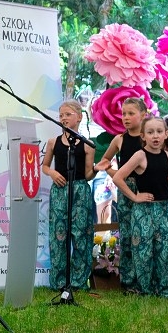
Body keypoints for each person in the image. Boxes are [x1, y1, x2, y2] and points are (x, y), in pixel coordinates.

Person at [109, 116, 168, 298]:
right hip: (143, 211)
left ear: (166, 134)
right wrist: (135, 197)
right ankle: (144, 288)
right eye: (150, 132)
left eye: (159, 132)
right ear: (143, 136)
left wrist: (165, 192)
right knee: (143, 250)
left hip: (164, 209)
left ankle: (164, 289)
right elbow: (118, 178)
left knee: (164, 249)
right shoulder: (140, 155)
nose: (155, 136)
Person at [47, 100, 96, 292]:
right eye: (61, 115)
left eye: (68, 114)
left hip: (80, 191)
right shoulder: (53, 142)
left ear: (79, 117)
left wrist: (97, 170)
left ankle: (78, 281)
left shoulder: (88, 145)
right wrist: (53, 173)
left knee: (81, 235)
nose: (64, 118)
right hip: (60, 191)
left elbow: (88, 174)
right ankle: (59, 281)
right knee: (58, 235)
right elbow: (45, 166)